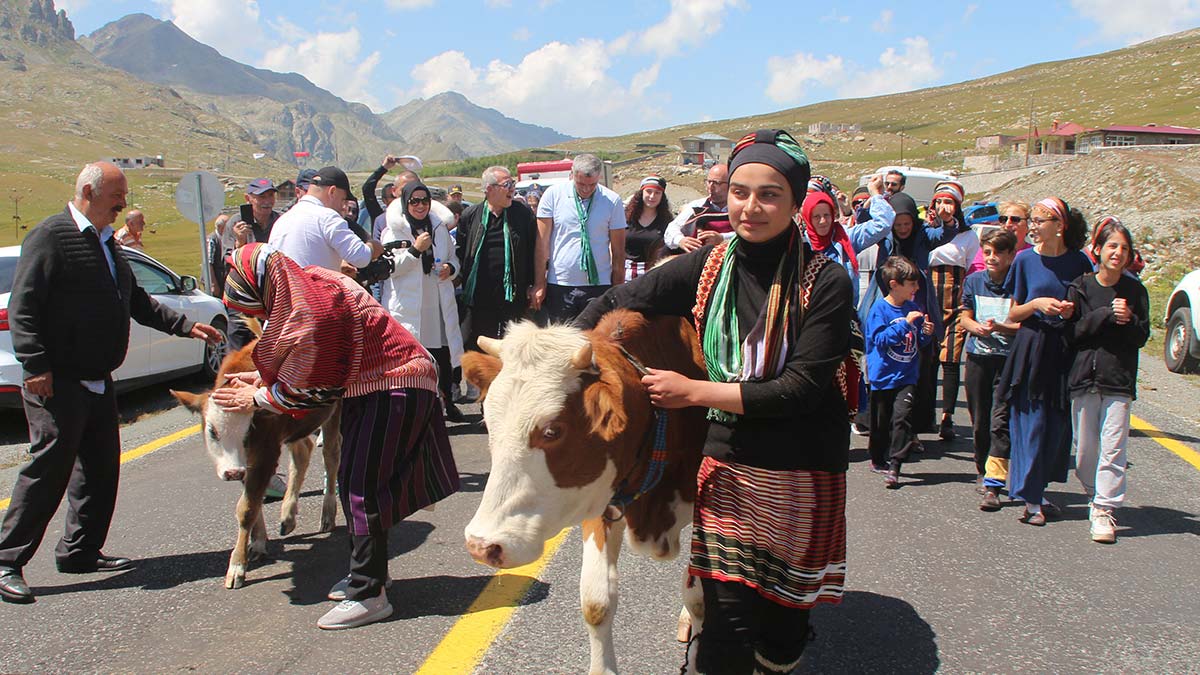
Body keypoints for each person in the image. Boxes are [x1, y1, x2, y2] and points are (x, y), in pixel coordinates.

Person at [576, 129, 852, 674]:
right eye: (740, 192)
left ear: (795, 202)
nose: (751, 207)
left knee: (781, 638)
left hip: (801, 465)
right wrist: (562, 354)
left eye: (770, 194)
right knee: (724, 634)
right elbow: (619, 298)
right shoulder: (709, 266)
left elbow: (800, 388)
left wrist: (693, 392)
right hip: (728, 463)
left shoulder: (826, 282)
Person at [0, 162, 222, 605]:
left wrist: (185, 326)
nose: (123, 204)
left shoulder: (106, 243)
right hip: (57, 380)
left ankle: (79, 551)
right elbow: (24, 305)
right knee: (49, 469)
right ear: (88, 191)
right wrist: (35, 364)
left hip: (100, 379)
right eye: (116, 195)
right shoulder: (51, 236)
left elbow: (137, 300)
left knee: (101, 468)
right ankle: (7, 560)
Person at [213, 244, 459, 629]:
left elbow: (316, 387)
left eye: (256, 308)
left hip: (394, 385)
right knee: (355, 484)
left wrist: (257, 396)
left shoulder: (311, 310)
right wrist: (262, 380)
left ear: (264, 289)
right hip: (376, 386)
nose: (259, 317)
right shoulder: (311, 286)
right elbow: (311, 365)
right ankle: (370, 575)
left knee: (362, 489)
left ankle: (368, 594)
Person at [997, 197, 1093, 526]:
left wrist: (1069, 311)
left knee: (1056, 426)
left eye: (1040, 221)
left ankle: (1037, 489)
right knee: (1032, 423)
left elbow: (1085, 307)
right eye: (1033, 220)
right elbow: (1013, 312)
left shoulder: (1079, 262)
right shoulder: (1025, 260)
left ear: (1060, 226)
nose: (1033, 227)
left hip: (1063, 349)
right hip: (1032, 347)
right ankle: (1032, 500)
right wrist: (1037, 304)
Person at [1066, 218, 1150, 543]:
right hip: (1084, 378)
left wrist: (1129, 320)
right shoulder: (1081, 286)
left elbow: (1142, 337)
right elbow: (1072, 333)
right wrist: (1104, 315)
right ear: (1098, 249)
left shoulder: (1135, 291)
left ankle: (1104, 508)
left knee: (1114, 449)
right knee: (1085, 451)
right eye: (1112, 246)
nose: (1118, 253)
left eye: (1124, 249)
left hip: (1118, 381)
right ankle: (1093, 491)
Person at [857, 191, 964, 436]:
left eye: (907, 224)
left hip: (917, 304)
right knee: (883, 360)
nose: (903, 229)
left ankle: (911, 429)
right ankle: (878, 425)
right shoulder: (885, 235)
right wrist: (872, 201)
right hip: (886, 303)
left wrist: (948, 220)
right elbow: (863, 221)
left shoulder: (923, 234)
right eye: (898, 224)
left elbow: (945, 234)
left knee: (916, 367)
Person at [381, 181, 466, 423]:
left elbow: (453, 258)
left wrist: (450, 268)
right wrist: (416, 250)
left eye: (425, 201)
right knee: (415, 359)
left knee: (442, 356)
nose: (420, 206)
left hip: (437, 304)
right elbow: (390, 269)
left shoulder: (439, 228)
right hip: (410, 306)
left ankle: (447, 401)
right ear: (405, 203)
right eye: (414, 201)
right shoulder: (394, 232)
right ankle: (418, 408)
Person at [959, 229, 1020, 510]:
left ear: (1011, 255)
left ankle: (994, 481)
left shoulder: (1018, 283)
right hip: (978, 358)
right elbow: (965, 317)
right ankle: (981, 468)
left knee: (1000, 420)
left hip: (1007, 360)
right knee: (980, 419)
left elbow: (1022, 323)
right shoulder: (974, 281)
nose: (992, 258)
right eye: (987, 252)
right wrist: (976, 328)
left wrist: (1002, 327)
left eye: (998, 253)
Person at [531, 154, 627, 323]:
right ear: (572, 174)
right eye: (581, 184)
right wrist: (539, 283)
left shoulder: (612, 200)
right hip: (560, 283)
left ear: (599, 177)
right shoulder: (553, 195)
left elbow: (618, 251)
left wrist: (617, 289)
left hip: (599, 285)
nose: (586, 189)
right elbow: (542, 244)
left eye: (592, 185)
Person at [865, 256, 934, 488]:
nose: (916, 288)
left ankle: (895, 464)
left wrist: (925, 333)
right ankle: (877, 458)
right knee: (880, 423)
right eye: (912, 284)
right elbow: (880, 340)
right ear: (894, 285)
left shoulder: (912, 308)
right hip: (883, 376)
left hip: (906, 375)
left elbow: (917, 342)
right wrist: (905, 323)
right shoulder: (879, 310)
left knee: (902, 418)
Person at [456, 166, 536, 352]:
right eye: (506, 184)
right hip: (481, 296)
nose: (512, 189)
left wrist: (534, 284)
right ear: (489, 189)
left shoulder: (522, 214)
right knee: (483, 344)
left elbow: (533, 251)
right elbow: (461, 252)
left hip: (514, 294)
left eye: (512, 183)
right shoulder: (471, 216)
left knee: (515, 345)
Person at [925, 181, 980, 441]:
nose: (943, 207)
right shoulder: (926, 231)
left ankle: (947, 415)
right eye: (939, 201)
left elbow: (972, 268)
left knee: (950, 358)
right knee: (927, 359)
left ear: (957, 206)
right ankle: (925, 414)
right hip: (929, 298)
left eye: (948, 202)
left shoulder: (968, 236)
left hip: (955, 300)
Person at [268, 166, 384, 273]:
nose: (342, 206)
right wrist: (373, 247)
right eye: (342, 199)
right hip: (314, 288)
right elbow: (360, 257)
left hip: (288, 287)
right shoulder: (327, 217)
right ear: (332, 191)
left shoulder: (282, 221)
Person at [802, 174, 893, 307]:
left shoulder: (846, 237)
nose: (823, 221)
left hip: (844, 311)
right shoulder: (802, 244)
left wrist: (876, 195)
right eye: (816, 216)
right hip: (812, 312)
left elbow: (882, 225)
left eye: (826, 215)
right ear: (808, 218)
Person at [663, 163, 730, 253]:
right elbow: (672, 228)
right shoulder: (697, 206)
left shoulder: (739, 208)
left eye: (716, 183)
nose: (710, 187)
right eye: (708, 182)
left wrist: (722, 238)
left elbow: (748, 235)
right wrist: (681, 240)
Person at [623, 174, 673, 277]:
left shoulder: (667, 222)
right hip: (625, 272)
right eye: (648, 191)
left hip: (653, 273)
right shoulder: (625, 217)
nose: (652, 196)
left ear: (662, 196)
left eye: (657, 193)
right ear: (641, 193)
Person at [968, 200, 1031, 274]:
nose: (1008, 224)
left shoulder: (1036, 253)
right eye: (1003, 219)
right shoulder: (987, 250)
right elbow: (975, 276)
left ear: (1028, 225)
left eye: (1015, 219)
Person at [207, 213, 231, 296]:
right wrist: (213, 284)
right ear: (220, 227)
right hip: (215, 281)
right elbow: (208, 263)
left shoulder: (227, 238)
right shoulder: (212, 240)